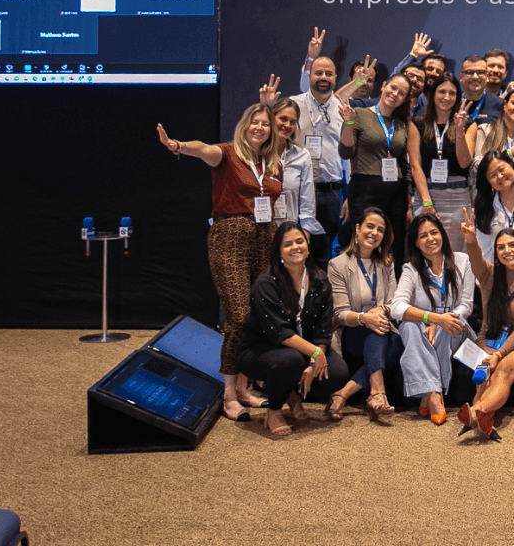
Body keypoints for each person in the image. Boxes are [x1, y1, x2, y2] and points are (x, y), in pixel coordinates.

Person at [156, 105, 282, 421]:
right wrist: (178, 146)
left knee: (257, 317)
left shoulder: (270, 162)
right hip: (230, 238)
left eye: (265, 124)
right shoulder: (227, 154)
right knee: (239, 317)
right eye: (254, 122)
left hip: (265, 239)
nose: (260, 127)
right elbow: (203, 150)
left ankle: (242, 388)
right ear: (244, 125)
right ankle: (228, 395)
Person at [235, 224, 347, 437]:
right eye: (287, 244)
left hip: (303, 349)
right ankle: (274, 410)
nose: (295, 247)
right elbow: (279, 332)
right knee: (290, 361)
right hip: (260, 350)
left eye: (299, 242)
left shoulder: (320, 279)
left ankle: (291, 394)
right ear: (279, 251)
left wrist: (316, 359)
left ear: (307, 245)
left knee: (338, 373)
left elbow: (323, 330)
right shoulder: (266, 282)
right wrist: (314, 353)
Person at [455, 216, 514, 440]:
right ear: (496, 252)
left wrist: (499, 354)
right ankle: (484, 419)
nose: (507, 250)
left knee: (503, 369)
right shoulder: (488, 275)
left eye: (512, 245)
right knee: (483, 376)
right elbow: (475, 257)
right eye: (501, 247)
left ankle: (475, 412)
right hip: (489, 337)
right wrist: (470, 239)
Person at [390, 212, 473, 425]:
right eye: (423, 236)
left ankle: (429, 393)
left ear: (442, 235)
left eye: (434, 232)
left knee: (449, 325)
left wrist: (442, 321)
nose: (430, 239)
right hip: (424, 331)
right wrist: (434, 318)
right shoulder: (411, 269)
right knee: (408, 325)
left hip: (457, 329)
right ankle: (434, 394)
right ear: (416, 244)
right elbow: (396, 307)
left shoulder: (462, 260)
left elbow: (467, 306)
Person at [326, 209, 401, 421]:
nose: (374, 233)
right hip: (351, 334)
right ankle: (377, 391)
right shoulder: (338, 265)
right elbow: (339, 313)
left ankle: (342, 394)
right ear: (358, 229)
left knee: (393, 338)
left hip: (379, 331)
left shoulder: (387, 265)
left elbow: (394, 303)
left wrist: (381, 311)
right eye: (370, 226)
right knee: (379, 330)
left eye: (380, 230)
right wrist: (364, 318)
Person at [338, 71, 412, 264]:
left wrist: (409, 197)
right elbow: (345, 152)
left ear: (405, 99)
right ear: (384, 86)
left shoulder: (402, 124)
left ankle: (392, 291)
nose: (395, 94)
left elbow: (404, 162)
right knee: (364, 245)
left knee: (393, 247)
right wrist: (348, 123)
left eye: (401, 93)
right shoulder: (359, 114)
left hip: (396, 194)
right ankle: (362, 291)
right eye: (393, 87)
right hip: (365, 191)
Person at [289, 33, 346, 264]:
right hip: (298, 189)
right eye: (318, 73)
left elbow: (348, 154)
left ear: (335, 78)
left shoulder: (343, 107)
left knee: (323, 255)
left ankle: (319, 299)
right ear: (309, 75)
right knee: (295, 252)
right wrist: (310, 57)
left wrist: (348, 194)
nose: (323, 77)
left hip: (330, 193)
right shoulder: (294, 104)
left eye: (328, 74)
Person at [407, 73, 474, 251]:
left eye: (452, 93)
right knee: (425, 250)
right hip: (426, 196)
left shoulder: (468, 124)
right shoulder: (417, 124)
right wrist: (427, 202)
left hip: (458, 197)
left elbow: (464, 163)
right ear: (432, 94)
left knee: (457, 252)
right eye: (441, 91)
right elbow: (415, 165)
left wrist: (459, 130)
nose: (446, 97)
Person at [257, 90, 319, 242]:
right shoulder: (254, 151)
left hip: (288, 233)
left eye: (292, 122)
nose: (287, 125)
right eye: (283, 119)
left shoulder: (302, 155)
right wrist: (263, 107)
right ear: (271, 118)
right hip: (258, 230)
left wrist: (305, 235)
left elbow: (307, 202)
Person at [468, 87, 514, 181]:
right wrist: (508, 153)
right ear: (504, 105)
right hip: (489, 193)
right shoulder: (485, 130)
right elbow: (476, 167)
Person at [457, 54, 503, 125]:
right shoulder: (452, 103)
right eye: (469, 72)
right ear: (461, 77)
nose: (475, 77)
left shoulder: (500, 105)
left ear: (487, 77)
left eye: (480, 73)